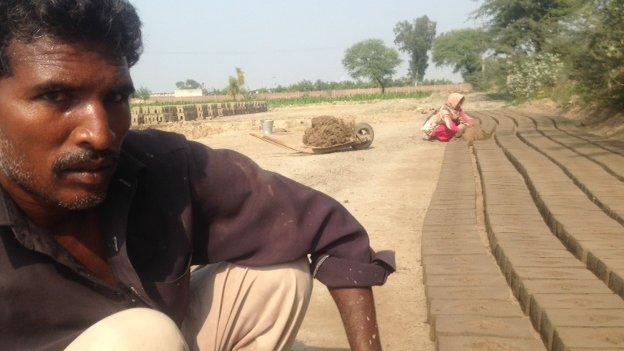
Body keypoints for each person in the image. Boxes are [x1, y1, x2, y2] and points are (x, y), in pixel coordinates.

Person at [0, 1, 394, 351]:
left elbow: (328, 227)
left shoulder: (158, 168)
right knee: (140, 337)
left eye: (116, 98)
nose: (101, 135)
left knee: (280, 276)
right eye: (57, 97)